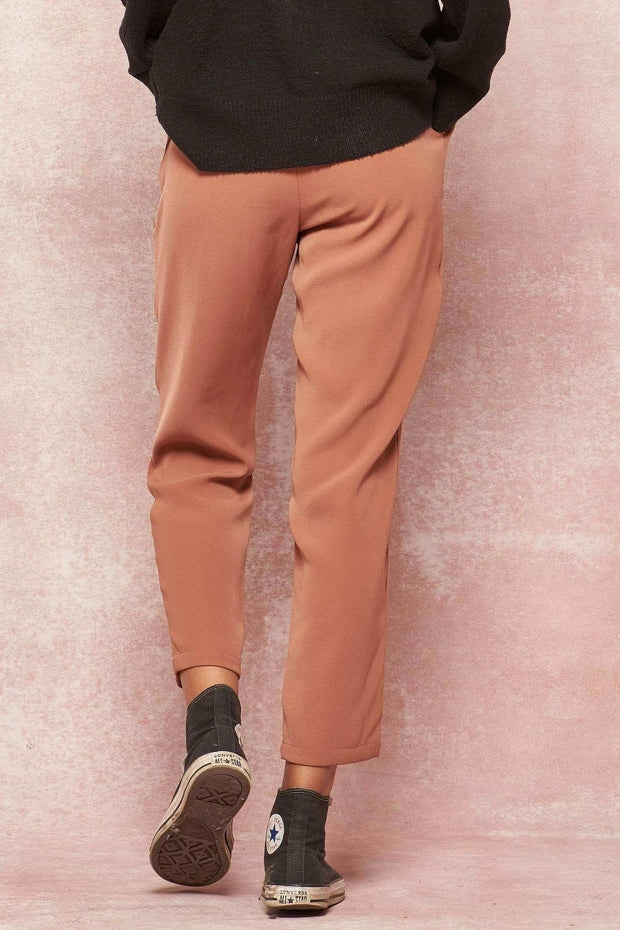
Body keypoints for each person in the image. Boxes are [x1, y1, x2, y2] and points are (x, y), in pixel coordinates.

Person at [118, 0, 511, 911]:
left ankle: (212, 719)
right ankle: (298, 837)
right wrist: (437, 102)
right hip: (381, 136)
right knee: (347, 482)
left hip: (218, 131)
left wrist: (174, 68)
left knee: (197, 443)